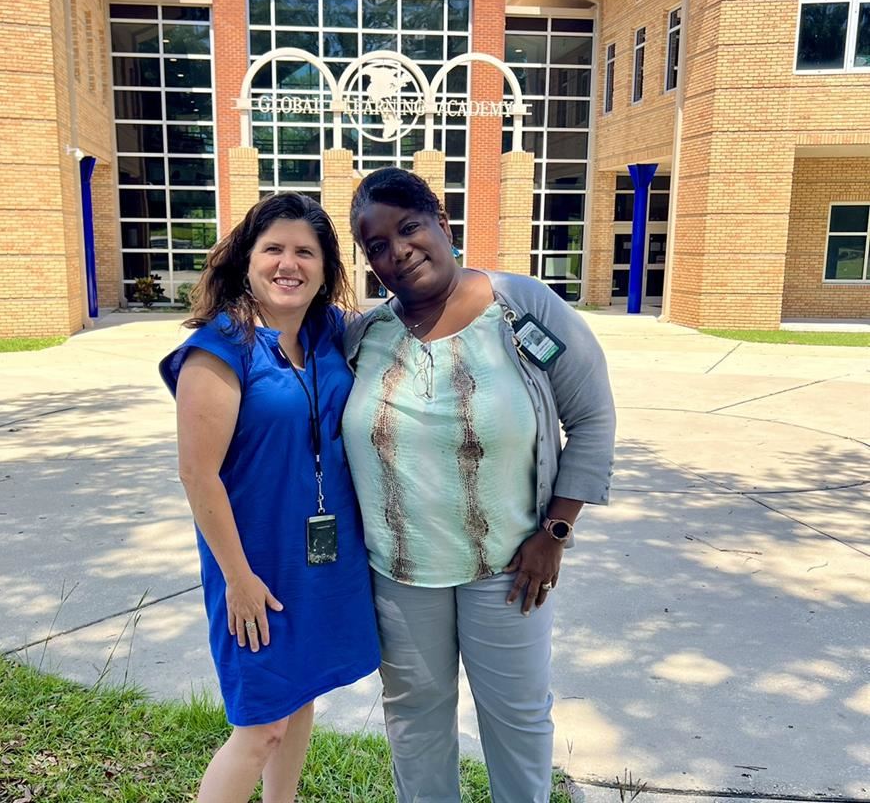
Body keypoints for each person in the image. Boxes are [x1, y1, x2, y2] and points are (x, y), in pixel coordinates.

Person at [341, 167, 616, 803]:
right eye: (376, 245)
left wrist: (556, 531)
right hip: (399, 573)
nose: (397, 250)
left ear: (441, 221)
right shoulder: (364, 338)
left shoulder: (523, 308)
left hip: (510, 569)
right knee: (414, 724)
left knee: (516, 720)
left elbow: (592, 419)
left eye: (408, 227)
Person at [160, 192, 380, 803]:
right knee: (260, 727)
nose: (290, 264)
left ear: (326, 268)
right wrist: (238, 578)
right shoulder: (219, 347)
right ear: (247, 261)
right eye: (274, 249)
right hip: (254, 565)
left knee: (299, 695)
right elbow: (197, 476)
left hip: (320, 557)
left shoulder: (329, 332)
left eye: (305, 251)